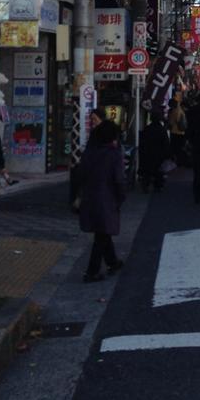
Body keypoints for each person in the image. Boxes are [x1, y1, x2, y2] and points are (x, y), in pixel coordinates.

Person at [71, 119, 127, 283]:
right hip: (107, 198)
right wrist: (121, 196)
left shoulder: (89, 151)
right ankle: (92, 271)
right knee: (101, 234)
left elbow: (80, 175)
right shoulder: (113, 154)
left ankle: (113, 262)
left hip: (89, 196)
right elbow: (119, 179)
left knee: (102, 231)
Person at [139, 112, 171, 191]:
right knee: (159, 170)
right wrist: (167, 154)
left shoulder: (147, 129)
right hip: (159, 154)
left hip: (148, 152)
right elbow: (166, 143)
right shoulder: (162, 129)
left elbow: (142, 141)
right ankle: (158, 186)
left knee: (147, 170)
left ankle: (146, 185)